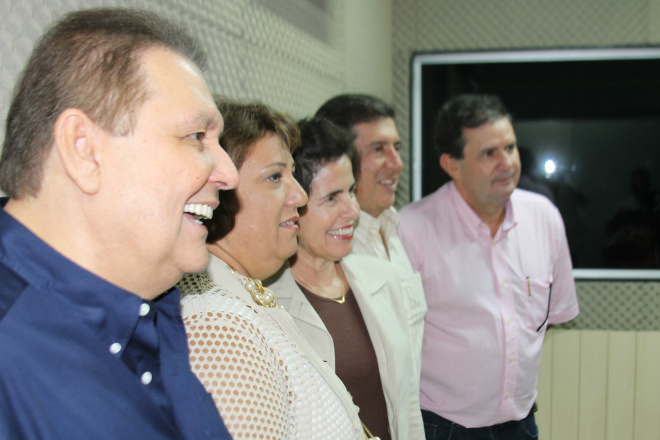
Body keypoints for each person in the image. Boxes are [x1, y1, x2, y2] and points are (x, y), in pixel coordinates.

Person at [0, 8, 239, 439]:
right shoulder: (12, 353)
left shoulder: (154, 312)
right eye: (197, 137)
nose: (228, 173)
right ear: (83, 150)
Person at [178, 100, 364, 439]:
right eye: (276, 176)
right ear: (217, 188)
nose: (299, 196)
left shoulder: (241, 292)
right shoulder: (217, 327)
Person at [398, 94, 580, 439]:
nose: (507, 163)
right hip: (444, 427)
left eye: (510, 148)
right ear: (452, 164)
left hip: (522, 424)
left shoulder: (544, 217)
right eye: (489, 153)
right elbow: (394, 342)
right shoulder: (412, 230)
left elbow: (551, 317)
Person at [266, 117, 424, 440]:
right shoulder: (269, 305)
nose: (352, 210)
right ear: (293, 203)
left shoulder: (384, 280)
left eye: (351, 191)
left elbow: (408, 403)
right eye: (332, 198)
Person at [316, 94, 427, 437]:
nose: (396, 163)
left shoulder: (393, 231)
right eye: (378, 149)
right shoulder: (327, 252)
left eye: (396, 147)